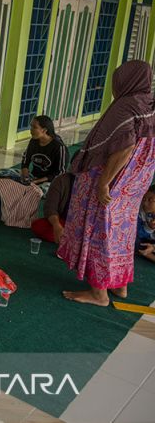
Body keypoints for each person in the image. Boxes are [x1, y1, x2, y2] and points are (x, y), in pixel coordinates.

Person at [58, 61, 155, 307]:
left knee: (98, 228)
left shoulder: (126, 106)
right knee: (121, 231)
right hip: (133, 185)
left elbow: (126, 146)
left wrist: (104, 183)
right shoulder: (149, 103)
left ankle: (98, 293)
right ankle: (119, 285)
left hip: (112, 181)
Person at [20, 115, 68, 187]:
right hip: (34, 177)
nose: (31, 130)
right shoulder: (34, 141)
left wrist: (36, 182)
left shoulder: (59, 147)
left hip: (50, 181)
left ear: (44, 130)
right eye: (31, 126)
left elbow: (60, 172)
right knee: (4, 173)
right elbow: (25, 160)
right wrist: (26, 177)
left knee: (43, 190)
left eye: (35, 127)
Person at [30, 172, 74, 244]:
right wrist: (56, 225)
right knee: (38, 225)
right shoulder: (62, 180)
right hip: (63, 222)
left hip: (83, 226)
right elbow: (50, 208)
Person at [136, 186, 155, 263]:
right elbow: (138, 233)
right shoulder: (141, 211)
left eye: (150, 200)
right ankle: (144, 252)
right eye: (144, 199)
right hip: (146, 240)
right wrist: (149, 228)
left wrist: (153, 248)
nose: (145, 203)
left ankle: (149, 255)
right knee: (135, 242)